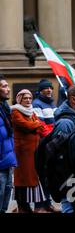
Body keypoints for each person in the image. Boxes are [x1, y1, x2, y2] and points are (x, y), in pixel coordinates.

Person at [51, 84, 75, 213]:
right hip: (70, 178)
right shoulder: (65, 123)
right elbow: (61, 155)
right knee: (70, 209)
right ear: (73, 100)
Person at [11, 90, 47, 213]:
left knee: (31, 178)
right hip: (22, 153)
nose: (28, 100)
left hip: (32, 152)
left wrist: (35, 125)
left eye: (30, 98)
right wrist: (36, 125)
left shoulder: (31, 112)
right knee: (23, 179)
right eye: (25, 98)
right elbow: (25, 126)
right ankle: (22, 206)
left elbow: (41, 126)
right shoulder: (15, 111)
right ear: (19, 99)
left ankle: (26, 206)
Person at [32, 79, 57, 211]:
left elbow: (55, 123)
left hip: (53, 143)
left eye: (50, 88)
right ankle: (41, 204)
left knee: (49, 175)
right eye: (46, 88)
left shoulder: (53, 104)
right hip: (45, 145)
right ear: (40, 90)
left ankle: (47, 202)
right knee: (42, 175)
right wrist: (54, 134)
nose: (49, 90)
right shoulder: (36, 104)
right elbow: (41, 125)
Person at [0, 75, 17, 213]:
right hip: (1, 164)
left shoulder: (5, 109)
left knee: (4, 204)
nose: (8, 89)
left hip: (8, 162)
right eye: (4, 86)